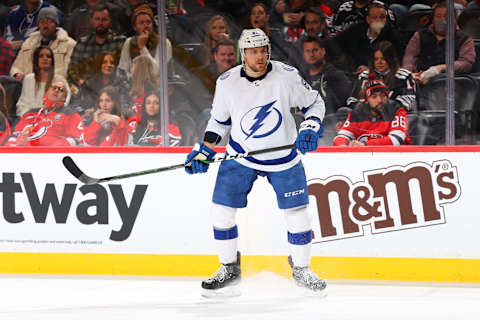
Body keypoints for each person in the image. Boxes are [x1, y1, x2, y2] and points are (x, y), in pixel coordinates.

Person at [184, 28, 327, 297]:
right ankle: (229, 268)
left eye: (263, 50)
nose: (259, 56)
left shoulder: (286, 76)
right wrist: (204, 150)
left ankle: (301, 269)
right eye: (252, 51)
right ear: (243, 54)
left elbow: (315, 103)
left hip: (283, 157)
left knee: (298, 216)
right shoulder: (227, 82)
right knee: (221, 212)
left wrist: (309, 127)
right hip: (242, 156)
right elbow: (219, 121)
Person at [402, 1, 476, 84]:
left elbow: (466, 63)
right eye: (438, 16)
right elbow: (410, 56)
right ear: (433, 19)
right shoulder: (419, 35)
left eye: (446, 16)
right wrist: (409, 73)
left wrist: (440, 68)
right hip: (420, 81)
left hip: (452, 83)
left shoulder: (465, 39)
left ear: (455, 19)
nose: (442, 20)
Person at [6, 78, 84, 146]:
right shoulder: (30, 113)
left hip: (51, 156)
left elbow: (77, 139)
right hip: (24, 155)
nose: (56, 90)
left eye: (61, 90)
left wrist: (52, 150)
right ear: (46, 93)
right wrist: (11, 148)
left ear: (64, 98)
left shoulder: (70, 114)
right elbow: (14, 135)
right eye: (53, 88)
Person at [333, 78, 411, 146]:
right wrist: (343, 147)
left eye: (383, 95)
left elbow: (396, 139)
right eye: (374, 97)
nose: (379, 100)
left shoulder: (396, 110)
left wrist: (365, 145)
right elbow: (341, 136)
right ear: (367, 100)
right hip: (365, 158)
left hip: (397, 158)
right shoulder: (356, 114)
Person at [333, 1, 404, 75]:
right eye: (374, 17)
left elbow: (397, 61)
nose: (379, 21)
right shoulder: (355, 31)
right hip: (353, 74)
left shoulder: (392, 36)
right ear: (368, 20)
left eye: (382, 17)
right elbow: (333, 44)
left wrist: (371, 69)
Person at [10, 7, 76, 82]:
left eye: (49, 21)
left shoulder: (69, 44)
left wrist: (41, 77)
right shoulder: (29, 42)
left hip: (54, 84)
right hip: (27, 84)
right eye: (42, 22)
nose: (45, 25)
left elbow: (67, 70)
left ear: (56, 24)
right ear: (38, 25)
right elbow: (16, 65)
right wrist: (17, 74)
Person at [67, 5, 126, 87]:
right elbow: (72, 69)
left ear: (110, 21)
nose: (100, 23)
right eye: (97, 19)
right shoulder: (83, 43)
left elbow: (126, 68)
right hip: (86, 88)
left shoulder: (120, 42)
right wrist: (80, 81)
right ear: (92, 21)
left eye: (104, 19)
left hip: (113, 88)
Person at [350, 41, 416, 111]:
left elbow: (410, 101)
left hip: (393, 116)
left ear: (391, 59)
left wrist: (385, 106)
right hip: (366, 116)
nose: (379, 62)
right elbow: (351, 100)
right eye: (376, 59)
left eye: (383, 59)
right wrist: (361, 106)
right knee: (343, 110)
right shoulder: (364, 76)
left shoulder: (403, 76)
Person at [301, 36, 352, 115]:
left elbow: (341, 106)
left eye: (315, 50)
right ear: (303, 55)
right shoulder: (299, 78)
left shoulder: (335, 75)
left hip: (329, 122)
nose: (311, 54)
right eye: (307, 51)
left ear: (323, 51)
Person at [118, 4, 172, 76]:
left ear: (152, 24)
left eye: (148, 22)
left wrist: (142, 47)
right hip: (134, 85)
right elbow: (123, 70)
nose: (145, 26)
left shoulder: (163, 42)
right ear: (135, 27)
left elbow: (156, 72)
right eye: (141, 23)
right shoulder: (129, 42)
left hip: (159, 85)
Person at [15, 46, 66, 116]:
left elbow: (64, 103)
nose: (45, 59)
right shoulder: (28, 79)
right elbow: (22, 104)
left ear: (52, 61)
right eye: (41, 56)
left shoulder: (59, 80)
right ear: (36, 60)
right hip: (30, 118)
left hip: (52, 119)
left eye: (48, 56)